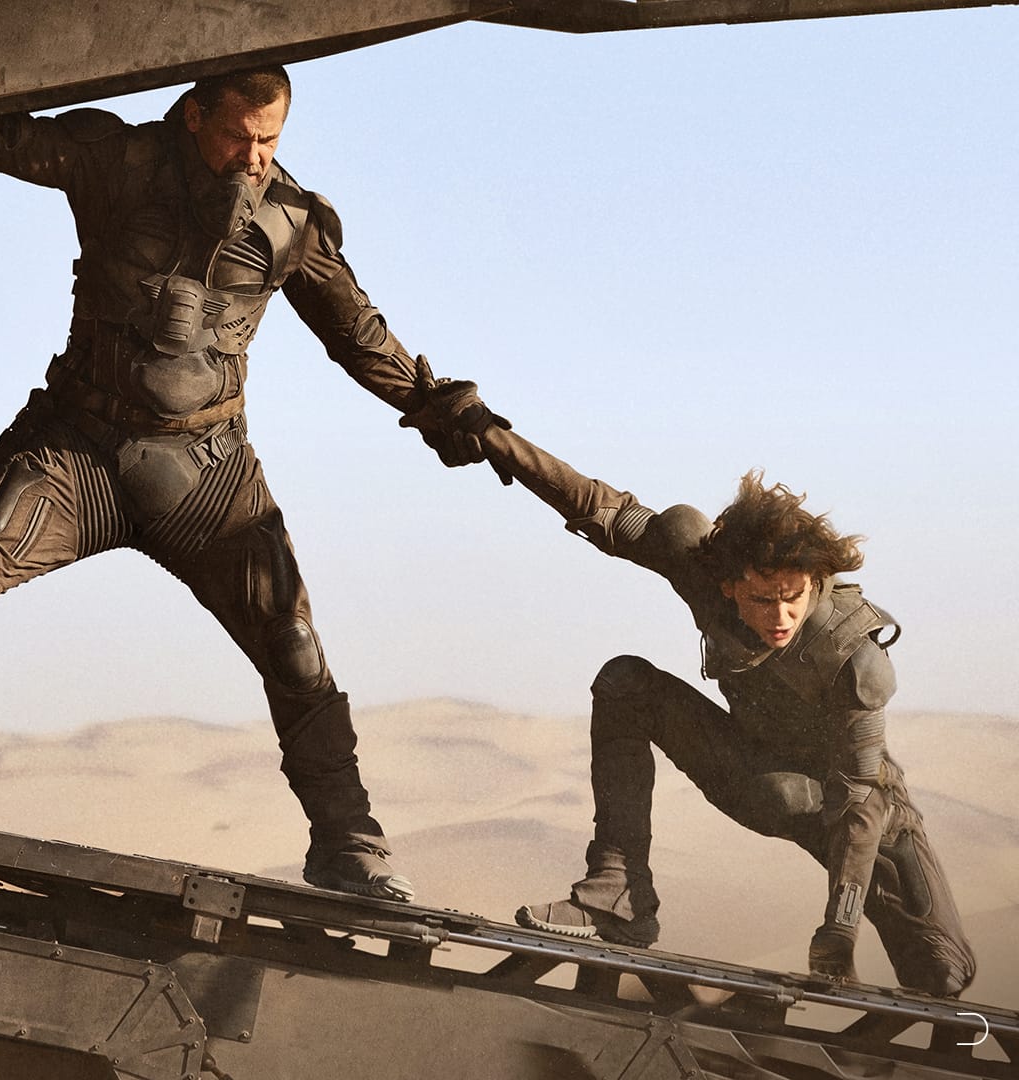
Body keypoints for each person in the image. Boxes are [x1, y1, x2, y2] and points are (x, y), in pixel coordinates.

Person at [0, 65, 482, 903]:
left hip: (207, 476)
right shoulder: (118, 161)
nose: (253, 157)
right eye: (237, 136)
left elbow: (358, 334)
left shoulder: (291, 219)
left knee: (294, 648)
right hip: (82, 453)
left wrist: (438, 406)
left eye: (270, 140)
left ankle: (349, 842)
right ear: (192, 116)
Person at [399, 391, 974, 994]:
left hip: (857, 812)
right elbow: (600, 508)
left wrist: (840, 928)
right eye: (760, 599)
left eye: (793, 597)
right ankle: (617, 893)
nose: (780, 617)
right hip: (751, 770)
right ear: (728, 586)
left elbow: (858, 804)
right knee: (625, 684)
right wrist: (491, 436)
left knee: (943, 973)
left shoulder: (854, 659)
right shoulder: (702, 565)